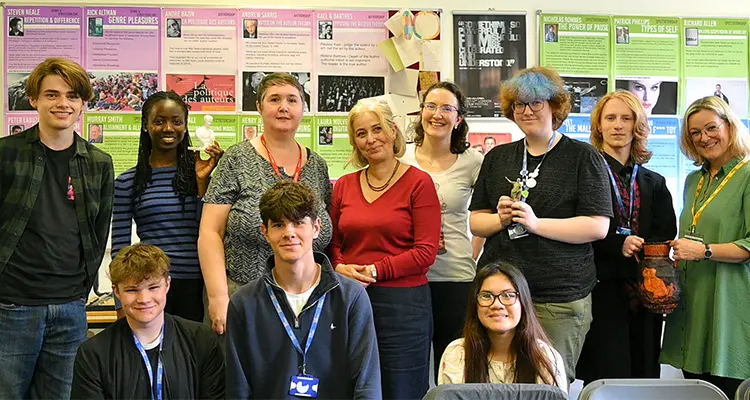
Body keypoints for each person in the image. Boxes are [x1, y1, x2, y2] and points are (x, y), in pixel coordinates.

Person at [469, 66, 612, 384]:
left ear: (555, 106)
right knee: (498, 383)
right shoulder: (498, 157)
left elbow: (597, 226)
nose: (526, 110)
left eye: (535, 102)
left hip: (558, 297)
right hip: (502, 297)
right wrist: (500, 219)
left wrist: (535, 223)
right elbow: (477, 222)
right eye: (518, 104)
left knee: (548, 386)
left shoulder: (582, 157)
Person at [0, 57, 114, 399]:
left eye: (72, 96)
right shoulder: (6, 154)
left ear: (82, 104)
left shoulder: (99, 163)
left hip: (70, 308)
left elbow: (98, 232)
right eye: (52, 94)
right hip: (12, 305)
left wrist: (81, 290)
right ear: (34, 99)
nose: (62, 103)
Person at [200, 73, 333, 336]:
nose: (284, 107)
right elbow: (209, 233)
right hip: (241, 296)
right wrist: (217, 297)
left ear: (302, 108)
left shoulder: (317, 165)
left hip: (305, 302)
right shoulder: (236, 159)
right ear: (260, 107)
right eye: (274, 99)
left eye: (292, 100)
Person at [226, 181, 381, 399]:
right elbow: (238, 389)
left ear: (316, 227)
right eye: (278, 224)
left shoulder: (351, 297)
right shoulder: (244, 302)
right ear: (265, 232)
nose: (289, 232)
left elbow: (367, 385)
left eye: (298, 222)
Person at [330, 97, 441, 399]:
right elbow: (331, 241)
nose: (371, 139)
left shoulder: (419, 183)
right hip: (350, 299)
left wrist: (376, 270)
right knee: (349, 385)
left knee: (400, 389)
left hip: (403, 306)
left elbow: (425, 252)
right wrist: (339, 267)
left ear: (393, 131)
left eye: (377, 129)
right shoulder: (343, 185)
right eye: (361, 133)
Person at [577, 90, 677, 383]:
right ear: (599, 126)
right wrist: (616, 244)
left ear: (638, 125)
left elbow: (665, 231)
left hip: (646, 289)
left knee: (644, 372)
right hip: (599, 287)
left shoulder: (654, 182)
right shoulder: (584, 174)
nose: (618, 125)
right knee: (605, 373)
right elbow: (577, 227)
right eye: (610, 118)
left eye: (626, 118)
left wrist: (644, 246)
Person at [661, 96, 750, 398]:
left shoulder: (748, 175)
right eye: (695, 133)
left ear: (729, 125)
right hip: (692, 304)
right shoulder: (692, 180)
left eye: (711, 128)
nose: (704, 138)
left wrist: (705, 251)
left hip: (730, 306)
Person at [111, 91, 223, 322]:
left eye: (176, 121)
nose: (168, 128)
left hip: (200, 285)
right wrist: (120, 303)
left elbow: (210, 230)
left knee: (194, 355)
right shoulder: (127, 182)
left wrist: (202, 183)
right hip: (150, 288)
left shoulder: (203, 173)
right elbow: (119, 248)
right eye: (159, 121)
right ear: (146, 126)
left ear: (185, 126)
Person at [400, 81, 485, 383]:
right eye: (431, 106)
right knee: (410, 366)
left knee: (455, 366)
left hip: (456, 277)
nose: (437, 114)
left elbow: (486, 213)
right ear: (421, 112)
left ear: (459, 118)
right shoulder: (401, 158)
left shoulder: (473, 161)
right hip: (408, 278)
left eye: (447, 108)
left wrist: (474, 251)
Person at [71, 243, 225, 399]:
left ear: (167, 284)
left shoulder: (201, 341)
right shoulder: (93, 354)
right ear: (116, 291)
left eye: (153, 287)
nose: (144, 299)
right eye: (132, 290)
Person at [438, 262, 567, 393]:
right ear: (474, 304)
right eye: (486, 296)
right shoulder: (457, 353)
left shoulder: (545, 357)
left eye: (508, 295)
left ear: (523, 303)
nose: (497, 304)